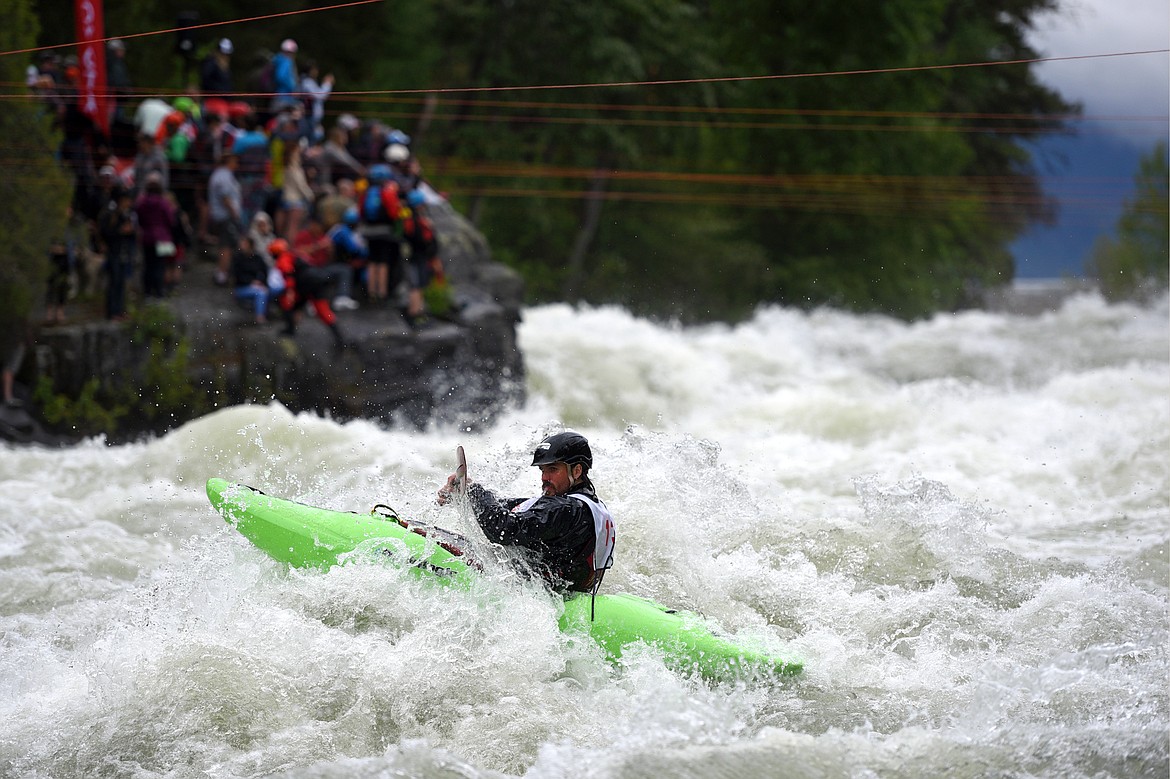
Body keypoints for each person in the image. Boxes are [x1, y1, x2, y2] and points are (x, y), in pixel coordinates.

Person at [437, 432, 616, 594]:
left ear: (577, 471)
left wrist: (474, 490)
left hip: (546, 596)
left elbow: (503, 529)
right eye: (542, 470)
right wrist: (465, 495)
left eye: (553, 469)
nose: (545, 478)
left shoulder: (567, 509)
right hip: (562, 590)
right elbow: (509, 507)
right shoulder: (588, 505)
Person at [271, 238, 345, 348]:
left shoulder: (283, 258)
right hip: (317, 279)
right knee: (322, 310)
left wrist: (290, 291)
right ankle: (339, 336)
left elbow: (288, 273)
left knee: (287, 304)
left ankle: (290, 330)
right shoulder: (296, 254)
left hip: (306, 283)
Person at [359, 163, 403, 303]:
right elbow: (394, 213)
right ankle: (381, 292)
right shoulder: (387, 192)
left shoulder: (366, 193)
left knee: (372, 261)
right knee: (383, 262)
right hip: (385, 231)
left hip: (369, 231)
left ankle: (371, 291)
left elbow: (360, 212)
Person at [134, 171, 177, 299]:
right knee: (160, 265)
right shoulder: (164, 202)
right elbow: (171, 220)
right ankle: (159, 291)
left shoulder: (141, 202)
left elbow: (139, 219)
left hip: (146, 237)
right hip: (163, 237)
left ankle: (147, 292)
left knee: (148, 265)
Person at [97, 186, 137, 320]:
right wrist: (120, 231)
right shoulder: (110, 214)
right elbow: (105, 233)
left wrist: (130, 231)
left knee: (121, 281)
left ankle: (120, 309)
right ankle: (112, 311)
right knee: (114, 281)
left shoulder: (126, 214)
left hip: (124, 251)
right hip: (113, 251)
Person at [208, 151, 243, 285]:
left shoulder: (221, 175)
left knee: (224, 245)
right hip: (225, 216)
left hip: (222, 216)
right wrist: (234, 212)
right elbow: (225, 198)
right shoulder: (223, 176)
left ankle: (221, 272)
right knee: (226, 246)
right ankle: (222, 274)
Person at [231, 235, 281, 324]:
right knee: (261, 292)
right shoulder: (238, 258)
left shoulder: (257, 258)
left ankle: (273, 311)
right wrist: (251, 282)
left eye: (245, 244)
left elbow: (265, 272)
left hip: (258, 285)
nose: (242, 246)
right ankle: (260, 317)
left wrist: (262, 282)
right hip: (242, 287)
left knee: (277, 289)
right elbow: (237, 276)